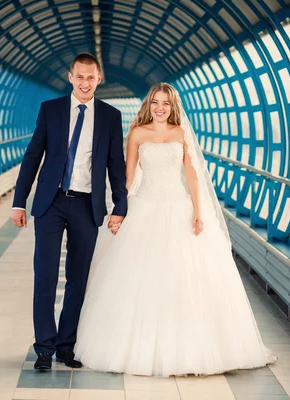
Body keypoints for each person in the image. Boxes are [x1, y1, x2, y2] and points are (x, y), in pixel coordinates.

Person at [74, 83, 276, 377]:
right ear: (148, 104)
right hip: (144, 208)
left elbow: (192, 176)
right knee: (142, 279)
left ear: (172, 107)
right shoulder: (137, 134)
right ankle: (139, 348)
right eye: (155, 102)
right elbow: (128, 178)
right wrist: (120, 211)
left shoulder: (181, 134)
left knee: (184, 278)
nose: (160, 108)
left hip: (178, 209)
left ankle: (188, 349)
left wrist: (198, 211)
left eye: (166, 104)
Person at [11, 53, 128, 370]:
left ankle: (66, 346)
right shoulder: (50, 111)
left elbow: (116, 165)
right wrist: (20, 201)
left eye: (91, 77)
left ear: (99, 79)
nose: (85, 82)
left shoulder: (110, 116)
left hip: (87, 205)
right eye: (80, 77)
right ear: (70, 77)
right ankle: (44, 349)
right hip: (51, 203)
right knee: (45, 276)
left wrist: (121, 204)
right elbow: (32, 157)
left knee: (78, 278)